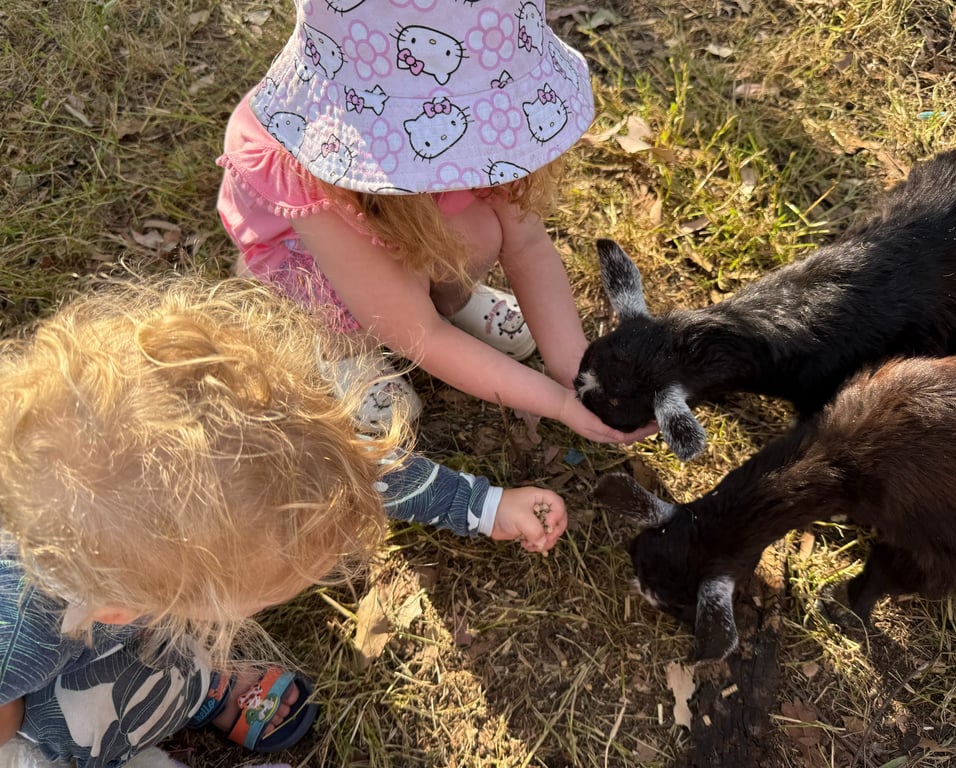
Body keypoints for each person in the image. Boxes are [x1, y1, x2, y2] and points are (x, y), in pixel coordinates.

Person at [0, 276, 568, 767]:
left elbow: (339, 475)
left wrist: (484, 505)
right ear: (130, 604)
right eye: (257, 598)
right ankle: (195, 691)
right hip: (35, 703)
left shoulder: (250, 460)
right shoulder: (19, 635)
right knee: (61, 726)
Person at [216, 0, 648, 442]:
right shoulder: (313, 166)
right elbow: (417, 334)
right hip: (312, 249)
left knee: (479, 233)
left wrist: (576, 370)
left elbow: (528, 247)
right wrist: (556, 404)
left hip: (403, 221)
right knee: (339, 300)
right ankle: (344, 352)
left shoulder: (488, 135)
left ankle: (451, 300)